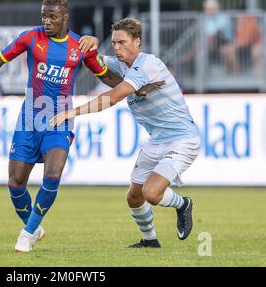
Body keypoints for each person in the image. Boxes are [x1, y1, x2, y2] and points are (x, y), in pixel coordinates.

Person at [0, 0, 130, 252]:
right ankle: (34, 226)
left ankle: (27, 233)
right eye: (44, 17)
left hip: (60, 119)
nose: (46, 22)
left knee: (53, 174)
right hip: (30, 118)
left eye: (52, 18)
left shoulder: (80, 47)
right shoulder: (30, 38)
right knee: (15, 183)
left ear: (65, 17)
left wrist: (134, 87)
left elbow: (104, 76)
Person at [51, 18, 201, 248]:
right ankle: (149, 241)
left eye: (122, 42)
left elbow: (113, 97)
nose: (117, 48)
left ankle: (183, 204)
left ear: (137, 41)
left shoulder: (148, 64)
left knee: (151, 193)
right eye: (114, 43)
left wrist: (73, 112)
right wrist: (90, 41)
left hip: (182, 140)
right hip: (157, 140)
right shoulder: (119, 64)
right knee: (134, 196)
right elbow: (89, 58)